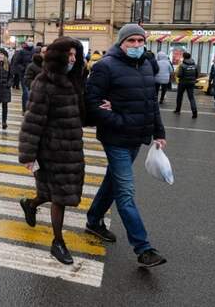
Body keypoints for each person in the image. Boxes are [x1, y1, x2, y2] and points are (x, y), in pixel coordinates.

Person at [85, 23, 167, 268]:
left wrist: (159, 132)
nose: (136, 46)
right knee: (125, 191)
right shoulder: (105, 67)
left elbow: (151, 103)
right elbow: (91, 103)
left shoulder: (145, 65)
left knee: (113, 181)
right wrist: (119, 120)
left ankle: (93, 220)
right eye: (131, 41)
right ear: (121, 43)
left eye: (140, 41)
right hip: (116, 138)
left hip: (136, 138)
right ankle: (143, 248)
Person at [18, 37, 86, 265]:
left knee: (51, 193)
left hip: (72, 150)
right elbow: (32, 121)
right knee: (61, 197)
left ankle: (30, 204)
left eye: (76, 56)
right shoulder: (43, 83)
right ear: (58, 56)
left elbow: (81, 115)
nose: (73, 60)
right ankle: (58, 242)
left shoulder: (73, 81)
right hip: (51, 150)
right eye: (70, 56)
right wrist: (28, 155)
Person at [12, 37, 36, 113]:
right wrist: (23, 68)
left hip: (33, 75)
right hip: (24, 76)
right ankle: (25, 109)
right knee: (26, 92)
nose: (31, 42)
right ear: (26, 42)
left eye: (32, 41)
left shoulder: (35, 51)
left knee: (32, 92)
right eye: (29, 41)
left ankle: (31, 109)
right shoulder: (21, 52)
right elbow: (16, 63)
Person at [174, 52, 199, 119]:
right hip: (191, 83)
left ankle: (178, 110)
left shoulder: (182, 65)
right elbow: (197, 75)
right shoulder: (195, 65)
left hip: (183, 83)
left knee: (179, 96)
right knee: (191, 97)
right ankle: (194, 112)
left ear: (184, 57)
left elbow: (179, 75)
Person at [0, 49, 13, 129]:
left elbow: (11, 76)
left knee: (5, 105)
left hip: (5, 89)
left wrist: (9, 84)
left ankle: (4, 121)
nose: (0, 56)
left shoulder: (8, 64)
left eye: (2, 54)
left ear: (4, 56)